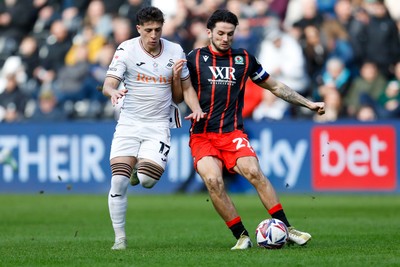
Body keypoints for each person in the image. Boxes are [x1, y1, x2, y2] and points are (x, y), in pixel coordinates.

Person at [177, 9, 325, 250]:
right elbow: (179, 92)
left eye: (230, 34)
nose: (225, 38)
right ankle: (242, 236)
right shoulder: (193, 58)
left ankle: (287, 228)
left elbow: (275, 87)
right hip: (202, 135)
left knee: (254, 172)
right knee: (214, 181)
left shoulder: (244, 59)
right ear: (209, 32)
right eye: (221, 33)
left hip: (232, 132)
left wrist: (308, 103)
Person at [102, 6, 204, 250]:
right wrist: (113, 91)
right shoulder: (126, 49)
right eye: (148, 30)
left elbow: (186, 90)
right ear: (139, 29)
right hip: (129, 122)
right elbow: (108, 83)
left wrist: (197, 108)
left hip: (158, 125)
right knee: (118, 181)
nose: (153, 35)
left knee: (147, 180)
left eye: (158, 29)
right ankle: (120, 239)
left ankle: (140, 171)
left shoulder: (175, 50)